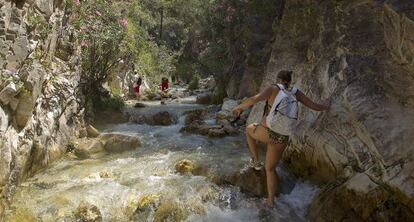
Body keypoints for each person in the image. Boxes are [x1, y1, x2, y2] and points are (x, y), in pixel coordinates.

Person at [232, 70, 329, 207]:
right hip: (283, 136)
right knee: (270, 169)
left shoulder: (274, 88)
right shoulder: (295, 92)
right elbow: (314, 106)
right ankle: (271, 202)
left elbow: (255, 99)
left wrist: (238, 107)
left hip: (268, 132)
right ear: (289, 81)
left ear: (278, 79)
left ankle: (254, 160)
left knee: (248, 129)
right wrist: (326, 106)